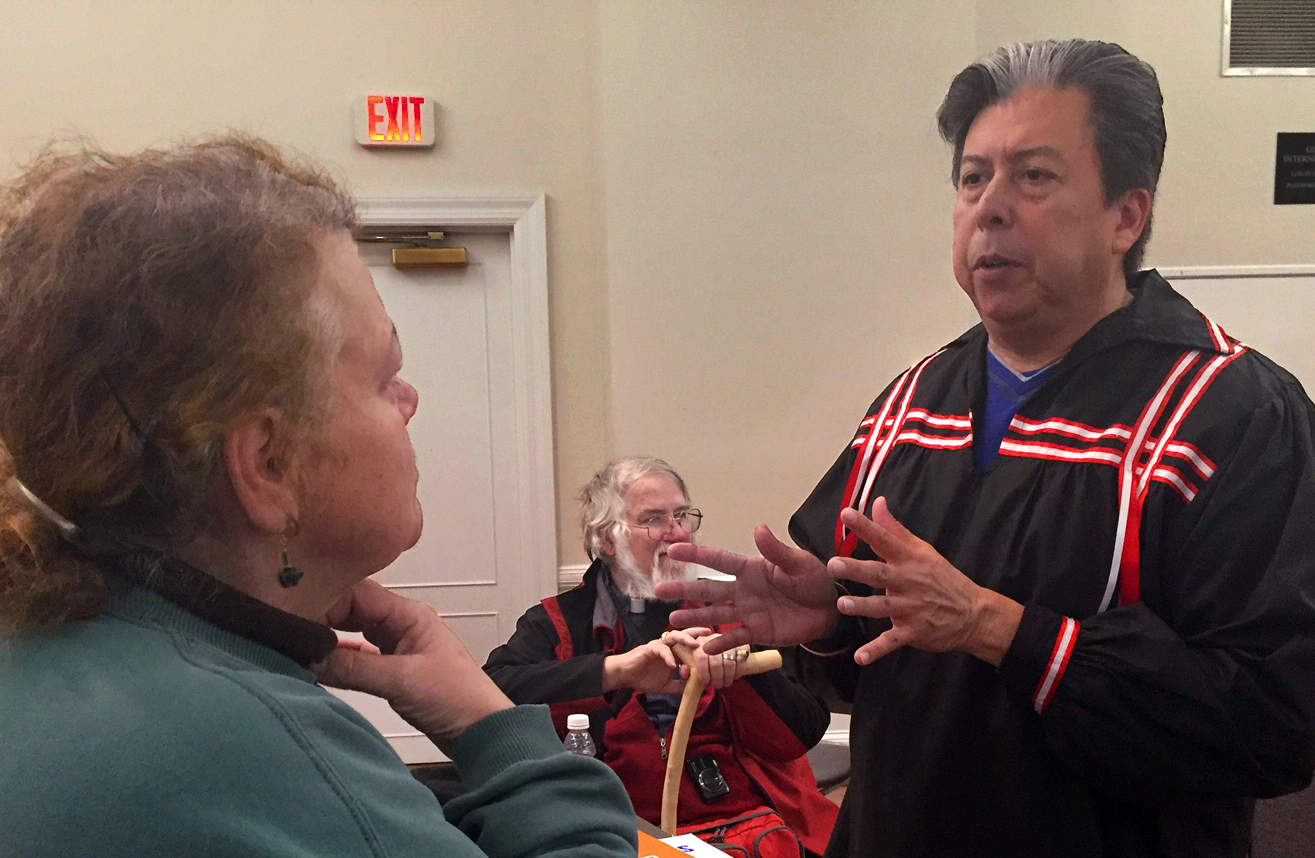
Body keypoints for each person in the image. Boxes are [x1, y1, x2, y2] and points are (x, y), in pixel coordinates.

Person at [654, 38, 1315, 858]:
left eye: (1033, 176)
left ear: (1125, 216)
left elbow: (1274, 723)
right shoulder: (908, 405)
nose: (989, 207)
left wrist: (1001, 629)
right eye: (973, 178)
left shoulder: (1229, 415)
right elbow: (886, 675)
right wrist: (825, 622)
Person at [0, 137, 637, 858]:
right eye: (381, 376)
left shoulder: (51, 639)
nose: (409, 399)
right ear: (266, 463)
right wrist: (489, 726)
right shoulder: (245, 745)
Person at [484, 456, 839, 858]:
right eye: (654, 518)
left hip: (746, 817)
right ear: (606, 538)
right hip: (621, 824)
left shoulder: (729, 610)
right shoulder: (560, 620)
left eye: (682, 515)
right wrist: (614, 672)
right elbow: (491, 691)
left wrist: (740, 668)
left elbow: (803, 731)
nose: (676, 532)